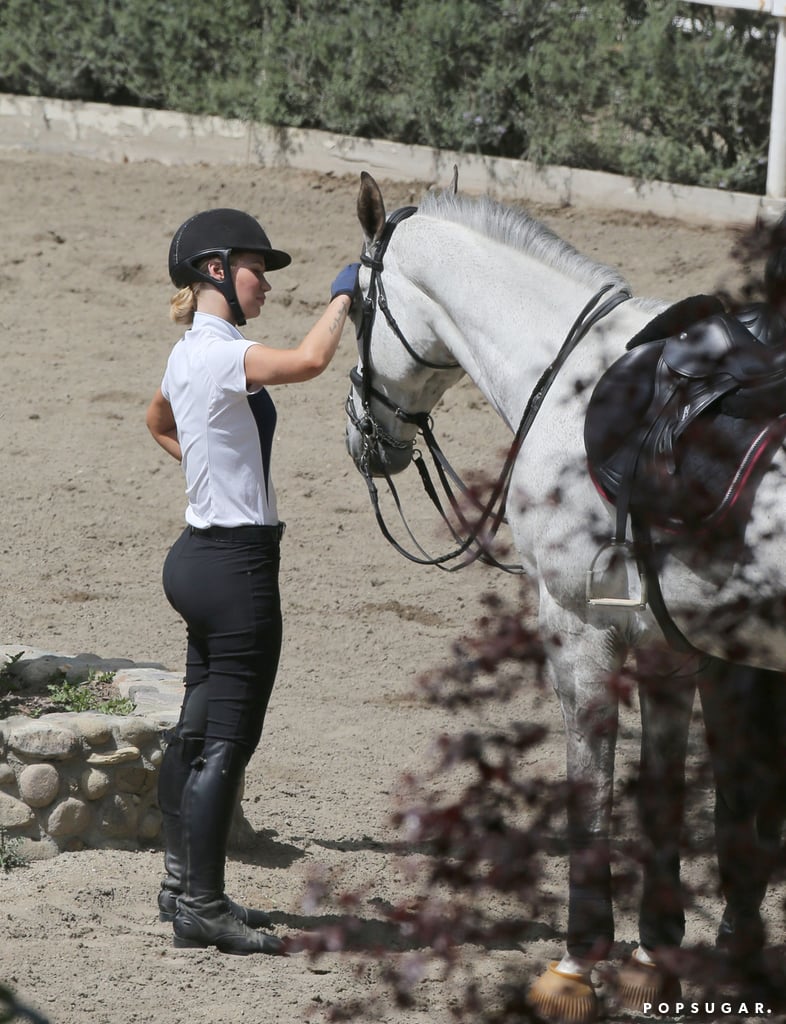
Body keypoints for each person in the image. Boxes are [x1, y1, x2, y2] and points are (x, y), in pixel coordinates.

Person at [145, 207, 359, 955]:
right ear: (214, 271)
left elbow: (158, 421)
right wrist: (345, 298)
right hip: (235, 571)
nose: (264, 282)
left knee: (196, 730)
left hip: (198, 557)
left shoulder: (191, 352)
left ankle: (179, 884)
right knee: (227, 743)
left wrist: (212, 479)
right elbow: (307, 363)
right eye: (254, 269)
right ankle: (202, 906)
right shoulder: (218, 355)